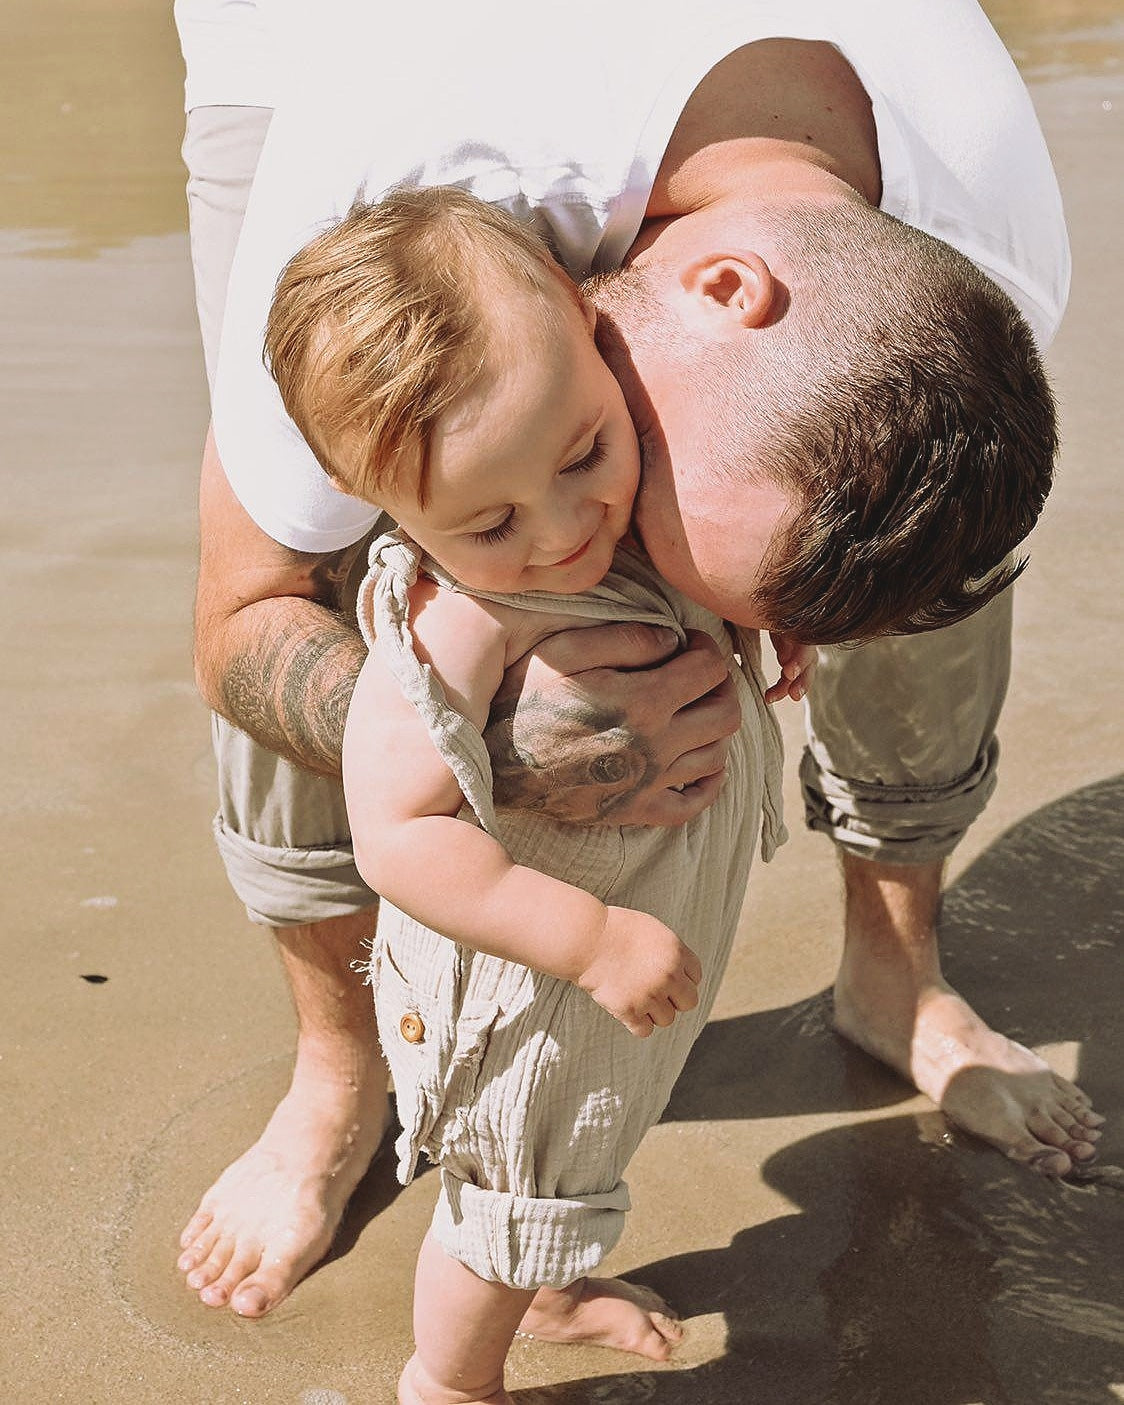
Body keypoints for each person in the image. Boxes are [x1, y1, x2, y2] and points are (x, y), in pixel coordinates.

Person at [174, 0, 1104, 1323]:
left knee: (913, 539)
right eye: (641, 497)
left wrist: (779, 603)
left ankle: (897, 971)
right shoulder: (382, 168)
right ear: (721, 288)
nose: (593, 560)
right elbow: (240, 613)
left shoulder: (981, 242)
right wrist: (466, 738)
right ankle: (336, 1074)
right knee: (348, 553)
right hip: (317, 37)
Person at [266, 185, 795, 1393]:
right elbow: (397, 836)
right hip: (526, 968)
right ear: (385, 508)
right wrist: (586, 935)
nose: (565, 528)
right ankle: (448, 1380)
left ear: (594, 336)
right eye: (491, 518)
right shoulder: (458, 619)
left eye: (583, 455)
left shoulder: (614, 488)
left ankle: (550, 1286)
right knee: (507, 1192)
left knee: (578, 1145)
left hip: (607, 958)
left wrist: (776, 613)